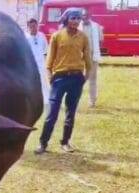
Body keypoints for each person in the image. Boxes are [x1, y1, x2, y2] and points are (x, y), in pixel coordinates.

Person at [35, 8, 92, 154]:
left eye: (78, 18)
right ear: (66, 19)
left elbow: (87, 58)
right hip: (59, 79)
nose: (76, 21)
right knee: (52, 113)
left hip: (76, 78)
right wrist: (50, 78)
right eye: (73, 18)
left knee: (70, 113)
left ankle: (65, 142)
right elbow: (49, 61)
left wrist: (85, 76)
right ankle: (43, 143)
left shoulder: (83, 37)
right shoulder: (57, 36)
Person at [80, 9, 103, 108]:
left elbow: (100, 40)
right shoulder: (78, 26)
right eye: (83, 16)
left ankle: (92, 101)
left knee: (92, 79)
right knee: (78, 78)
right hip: (80, 56)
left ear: (90, 16)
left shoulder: (96, 26)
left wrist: (95, 50)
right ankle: (76, 100)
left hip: (93, 55)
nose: (84, 17)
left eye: (86, 15)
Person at [25, 18, 49, 110]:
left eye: (35, 26)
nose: (33, 28)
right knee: (31, 84)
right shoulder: (25, 38)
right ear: (28, 27)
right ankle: (32, 102)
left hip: (42, 65)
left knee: (44, 83)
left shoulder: (42, 36)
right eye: (31, 27)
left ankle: (46, 102)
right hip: (30, 66)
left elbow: (46, 51)